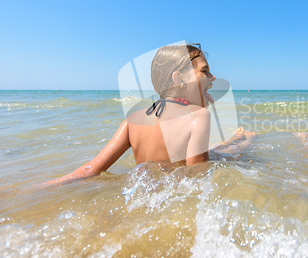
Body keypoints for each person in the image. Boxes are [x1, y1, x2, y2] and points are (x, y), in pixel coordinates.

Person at [47, 43, 254, 185]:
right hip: (173, 205)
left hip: (146, 199)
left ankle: (236, 139)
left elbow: (91, 169)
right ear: (180, 80)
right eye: (205, 71)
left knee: (220, 150)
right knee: (231, 155)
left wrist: (44, 186)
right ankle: (243, 142)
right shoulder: (198, 117)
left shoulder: (133, 119)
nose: (213, 76)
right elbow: (198, 179)